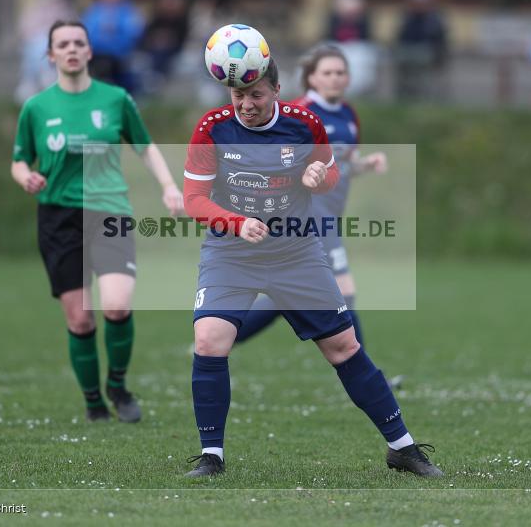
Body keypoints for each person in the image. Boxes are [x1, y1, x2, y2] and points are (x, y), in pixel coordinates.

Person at [182, 58, 441, 478]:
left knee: (344, 348)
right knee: (210, 340)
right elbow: (194, 199)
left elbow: (329, 174)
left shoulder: (305, 124)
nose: (246, 105)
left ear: (277, 90)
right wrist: (236, 222)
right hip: (231, 253)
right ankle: (212, 456)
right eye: (238, 96)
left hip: (295, 252)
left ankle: (403, 447)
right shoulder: (212, 127)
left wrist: (319, 174)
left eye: (256, 95)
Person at [11, 20, 182, 424]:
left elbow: (146, 147)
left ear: (89, 52)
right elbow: (19, 159)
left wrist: (169, 186)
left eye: (78, 43)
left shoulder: (116, 99)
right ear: (50, 55)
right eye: (62, 44)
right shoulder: (37, 107)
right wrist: (25, 177)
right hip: (58, 217)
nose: (71, 49)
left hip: (109, 210)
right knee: (80, 317)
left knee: (117, 307)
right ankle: (93, 402)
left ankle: (118, 386)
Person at [235, 45, 385, 347]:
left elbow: (337, 167)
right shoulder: (299, 114)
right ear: (312, 78)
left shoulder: (348, 115)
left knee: (286, 295)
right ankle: (366, 371)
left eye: (341, 73)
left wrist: (364, 165)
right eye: (327, 73)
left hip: (330, 215)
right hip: (308, 216)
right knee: (343, 290)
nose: (335, 78)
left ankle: (221, 337)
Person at [81, 0, 144, 93]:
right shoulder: (94, 10)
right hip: (94, 53)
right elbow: (86, 32)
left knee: (105, 66)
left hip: (119, 55)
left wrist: (112, 40)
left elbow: (133, 34)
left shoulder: (129, 11)